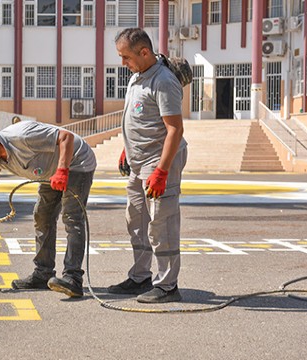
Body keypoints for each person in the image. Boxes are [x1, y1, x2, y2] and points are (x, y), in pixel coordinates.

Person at [0, 121, 96, 298]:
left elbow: (66, 137)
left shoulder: (22, 136)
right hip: (50, 171)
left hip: (76, 161)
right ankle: (43, 273)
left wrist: (63, 169)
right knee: (42, 215)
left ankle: (73, 278)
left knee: (72, 217)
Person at [108, 28, 188, 303]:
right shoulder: (136, 78)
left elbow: (174, 130)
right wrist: (126, 149)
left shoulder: (163, 81)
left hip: (158, 163)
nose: (123, 63)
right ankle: (140, 277)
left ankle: (167, 285)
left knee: (161, 224)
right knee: (137, 221)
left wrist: (162, 171)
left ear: (144, 52)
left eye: (126, 57)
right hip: (137, 161)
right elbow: (138, 120)